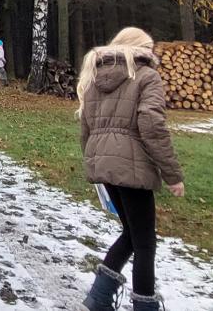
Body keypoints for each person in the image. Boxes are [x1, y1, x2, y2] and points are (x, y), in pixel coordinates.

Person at [77, 27, 184, 311]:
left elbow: (86, 128)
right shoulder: (146, 76)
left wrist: (96, 162)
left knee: (132, 234)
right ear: (141, 49)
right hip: (132, 168)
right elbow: (152, 125)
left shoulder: (94, 77)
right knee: (145, 241)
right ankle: (144, 306)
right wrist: (172, 174)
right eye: (150, 48)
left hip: (105, 165)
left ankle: (99, 298)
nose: (153, 54)